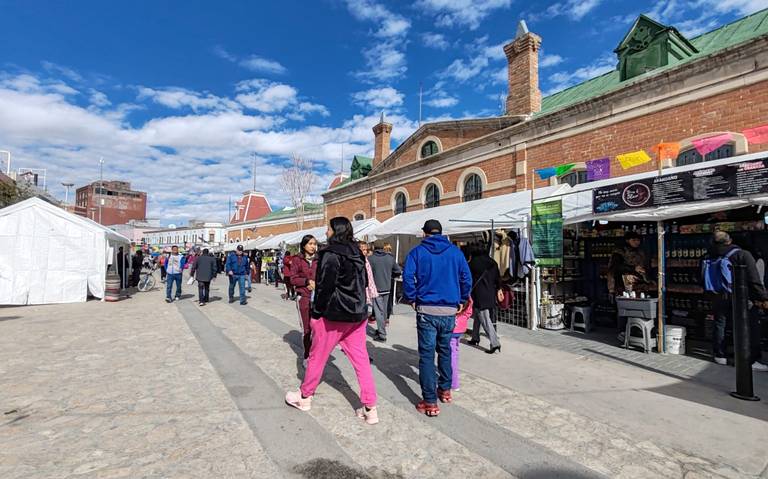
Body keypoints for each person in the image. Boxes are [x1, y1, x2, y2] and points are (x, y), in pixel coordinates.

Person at [285, 217, 379, 425]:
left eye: (328, 228)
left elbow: (325, 286)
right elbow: (362, 283)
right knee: (361, 361)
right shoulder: (358, 253)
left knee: (317, 357)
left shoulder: (330, 253)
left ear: (335, 230)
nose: (325, 232)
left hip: (334, 315)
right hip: (356, 314)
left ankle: (305, 397)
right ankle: (370, 408)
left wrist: (317, 313)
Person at [403, 220, 472, 417]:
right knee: (445, 350)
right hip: (449, 309)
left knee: (426, 355)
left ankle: (430, 401)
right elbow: (466, 278)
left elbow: (408, 277)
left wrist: (412, 298)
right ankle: (445, 389)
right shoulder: (455, 252)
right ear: (441, 233)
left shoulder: (417, 253)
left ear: (424, 233)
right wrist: (461, 299)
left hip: (426, 309)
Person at [705, 231, 768, 370]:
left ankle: (720, 355)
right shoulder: (742, 254)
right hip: (741, 296)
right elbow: (754, 279)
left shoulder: (710, 255)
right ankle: (751, 360)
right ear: (730, 240)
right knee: (749, 327)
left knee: (720, 324)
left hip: (718, 295)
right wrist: (763, 297)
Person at [467, 245, 503, 354]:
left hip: (478, 294)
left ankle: (495, 343)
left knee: (485, 319)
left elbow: (468, 279)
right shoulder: (492, 262)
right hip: (490, 293)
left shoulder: (472, 264)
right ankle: (475, 337)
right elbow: (498, 278)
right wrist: (499, 289)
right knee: (479, 316)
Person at [290, 235, 318, 365]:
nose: (313, 246)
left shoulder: (319, 259)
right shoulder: (297, 260)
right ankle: (307, 355)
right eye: (310, 244)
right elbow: (293, 279)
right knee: (307, 329)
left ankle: (316, 354)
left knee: (318, 328)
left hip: (318, 298)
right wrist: (306, 281)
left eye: (314, 244)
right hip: (304, 297)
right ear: (304, 245)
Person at [367, 243, 402, 342]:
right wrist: (390, 276)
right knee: (384, 311)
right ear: (383, 248)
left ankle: (382, 334)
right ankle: (381, 329)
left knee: (378, 312)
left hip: (375, 288)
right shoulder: (390, 258)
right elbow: (398, 271)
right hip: (387, 287)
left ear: (374, 248)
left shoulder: (371, 259)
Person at [607, 231, 654, 296]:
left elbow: (646, 266)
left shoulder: (641, 252)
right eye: (634, 240)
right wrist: (633, 268)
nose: (636, 242)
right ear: (627, 240)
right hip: (622, 285)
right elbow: (616, 267)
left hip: (640, 284)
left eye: (638, 240)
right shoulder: (619, 251)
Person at [452, 297, 473, 391]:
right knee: (455, 352)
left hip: (451, 328)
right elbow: (469, 311)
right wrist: (463, 318)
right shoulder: (467, 296)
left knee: (450, 356)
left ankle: (454, 383)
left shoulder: (453, 293)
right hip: (461, 328)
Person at [358, 241, 379, 323]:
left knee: (364, 317)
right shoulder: (356, 262)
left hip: (365, 294)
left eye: (366, 250)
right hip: (357, 294)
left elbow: (370, 279)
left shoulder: (366, 261)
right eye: (363, 249)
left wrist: (373, 293)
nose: (365, 252)